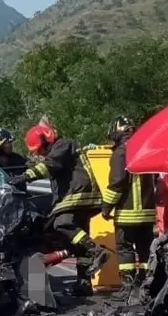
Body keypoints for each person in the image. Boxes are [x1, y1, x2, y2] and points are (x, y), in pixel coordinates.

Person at [7, 120, 110, 296]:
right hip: (76, 195)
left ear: (46, 141)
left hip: (77, 194)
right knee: (78, 245)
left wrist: (24, 177)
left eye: (40, 150)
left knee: (62, 224)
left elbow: (50, 166)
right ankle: (83, 284)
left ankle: (97, 251)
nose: (40, 154)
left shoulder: (63, 145)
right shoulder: (60, 148)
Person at [100, 116, 156, 304]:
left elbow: (117, 183)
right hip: (148, 213)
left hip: (127, 212)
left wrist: (106, 207)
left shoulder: (121, 152)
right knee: (145, 250)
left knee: (125, 250)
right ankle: (148, 287)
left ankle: (128, 288)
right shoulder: (145, 148)